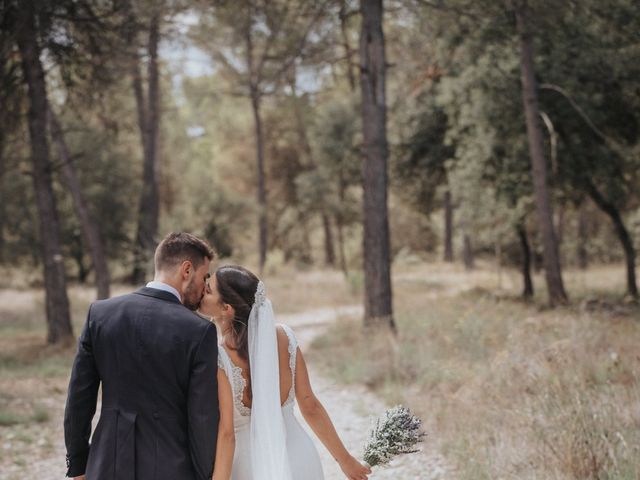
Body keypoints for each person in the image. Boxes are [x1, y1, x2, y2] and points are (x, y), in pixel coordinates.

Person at [63, 232, 219, 480]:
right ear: (186, 270)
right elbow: (202, 417)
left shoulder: (100, 314)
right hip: (173, 468)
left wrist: (78, 465)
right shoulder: (199, 331)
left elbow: (79, 397)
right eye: (204, 277)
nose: (204, 288)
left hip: (107, 464)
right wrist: (204, 474)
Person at [199, 265, 371, 480]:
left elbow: (226, 435)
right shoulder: (285, 337)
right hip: (298, 457)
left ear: (226, 308)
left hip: (250, 467)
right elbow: (310, 405)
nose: (201, 292)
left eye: (208, 290)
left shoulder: (219, 357)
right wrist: (346, 461)